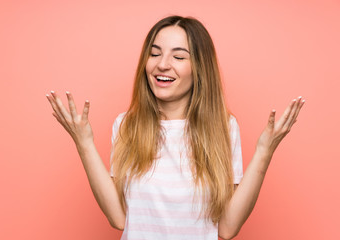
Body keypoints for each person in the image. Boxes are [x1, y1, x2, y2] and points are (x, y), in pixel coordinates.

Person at [46, 15, 305, 240]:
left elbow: (228, 227)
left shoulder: (224, 128)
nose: (162, 64)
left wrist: (265, 149)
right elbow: (119, 219)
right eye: (155, 53)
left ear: (199, 69)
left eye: (178, 56)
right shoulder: (127, 125)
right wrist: (84, 142)